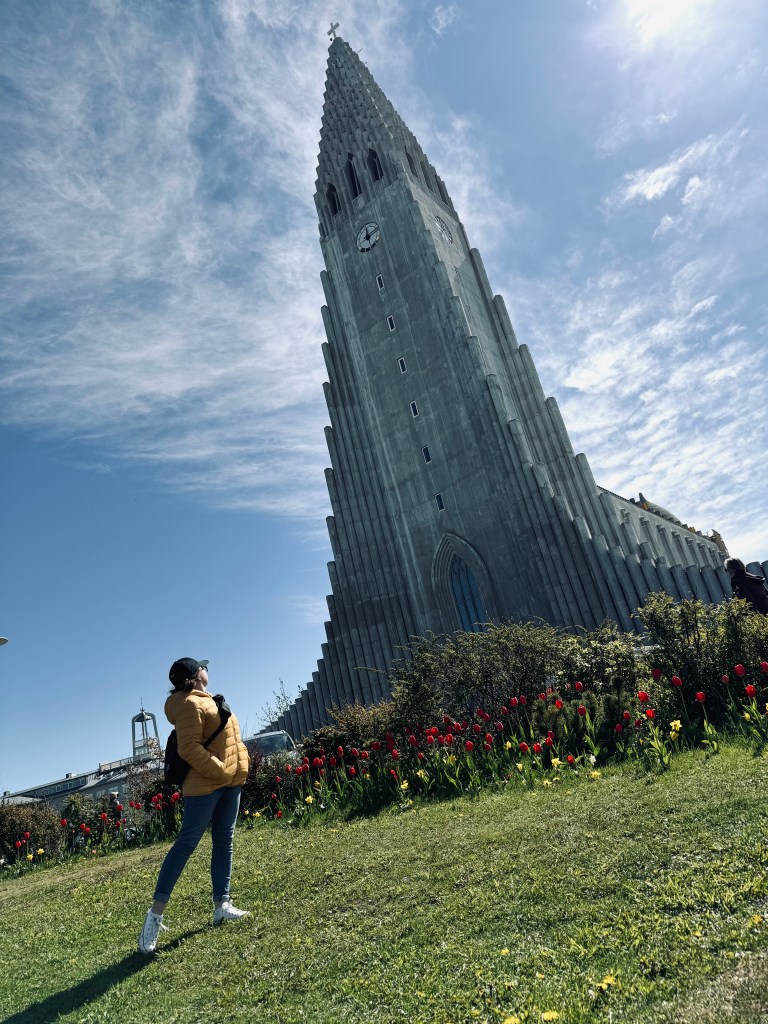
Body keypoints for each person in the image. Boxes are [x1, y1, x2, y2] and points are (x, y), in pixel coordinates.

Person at [138, 657, 251, 955]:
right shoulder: (188, 704)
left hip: (228, 783)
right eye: (202, 667)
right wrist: (220, 770)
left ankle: (222, 905)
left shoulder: (206, 700)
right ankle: (154, 917)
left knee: (223, 842)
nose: (206, 669)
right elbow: (188, 748)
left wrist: (238, 767)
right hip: (206, 785)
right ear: (194, 675)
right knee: (186, 844)